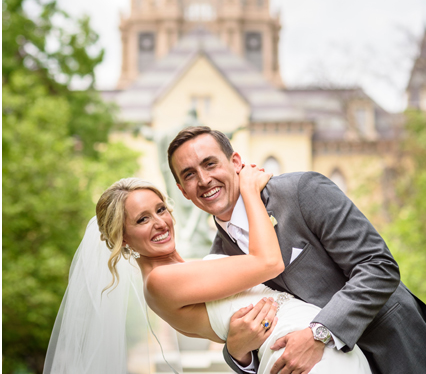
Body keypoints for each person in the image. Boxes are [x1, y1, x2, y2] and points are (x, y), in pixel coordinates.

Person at [167, 126, 426, 374]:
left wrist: (319, 334)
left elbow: (378, 266)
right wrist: (238, 352)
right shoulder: (218, 258)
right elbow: (254, 340)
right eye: (189, 175)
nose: (203, 180)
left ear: (235, 162)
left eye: (210, 164)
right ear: (182, 191)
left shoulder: (302, 191)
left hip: (395, 349)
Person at [91, 173, 371, 374]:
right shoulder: (160, 282)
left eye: (161, 209)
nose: (160, 223)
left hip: (322, 348)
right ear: (123, 238)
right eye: (142, 219)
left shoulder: (188, 270)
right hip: (300, 360)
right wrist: (249, 191)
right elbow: (268, 262)